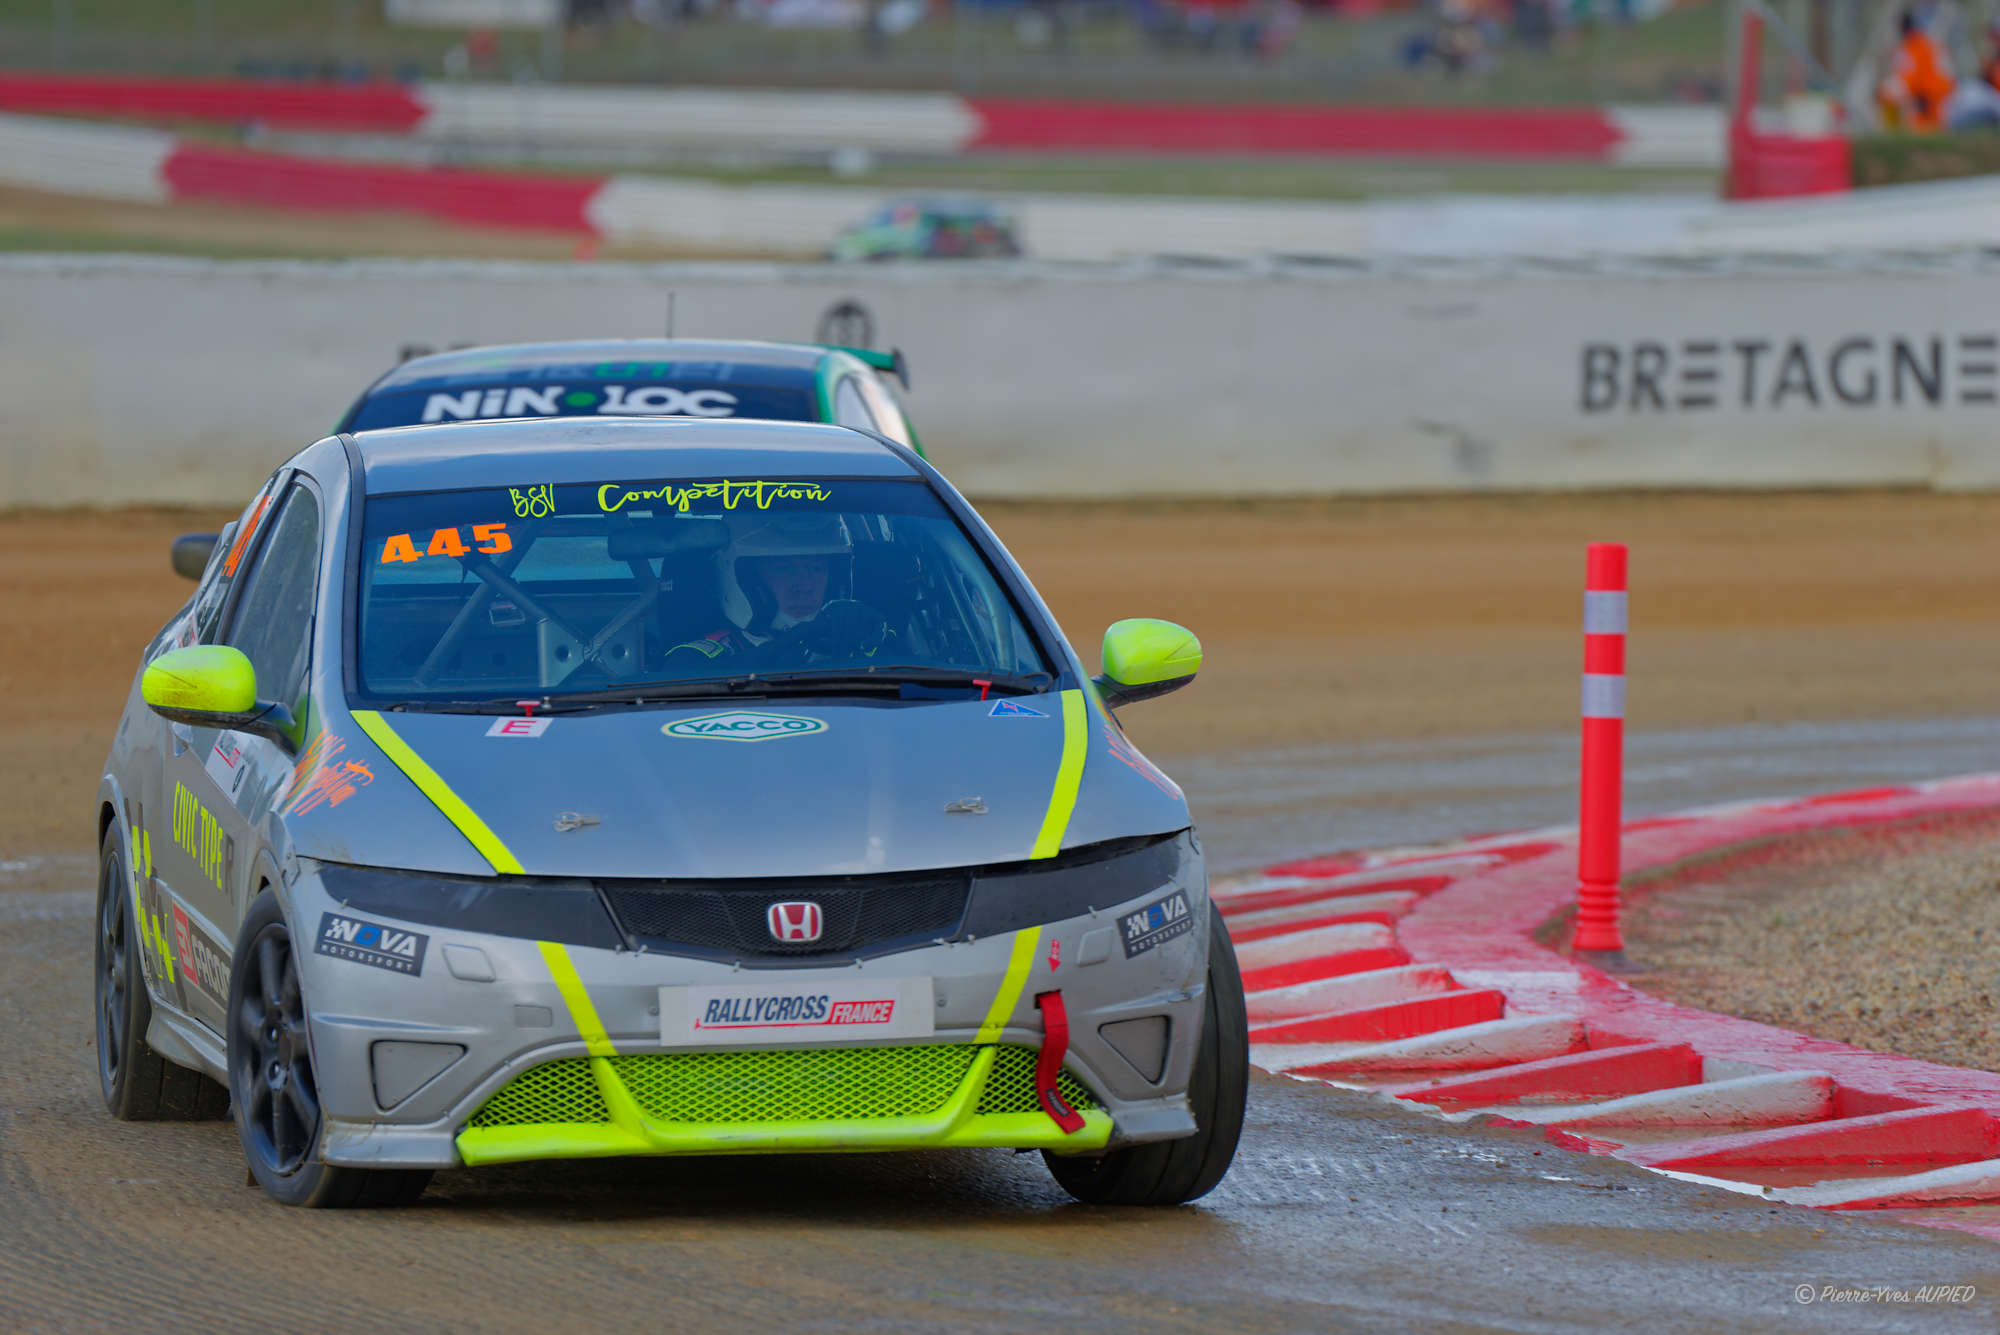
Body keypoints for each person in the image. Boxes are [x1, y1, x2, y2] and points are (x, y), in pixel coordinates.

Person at [665, 514, 890, 668]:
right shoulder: (699, 657)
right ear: (746, 580)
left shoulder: (864, 640)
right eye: (784, 570)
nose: (804, 586)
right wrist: (786, 646)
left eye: (815, 568)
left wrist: (870, 638)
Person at [1878, 8, 1955, 132]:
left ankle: (1893, 131)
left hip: (1930, 96)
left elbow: (1910, 77)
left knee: (1889, 92)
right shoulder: (1927, 43)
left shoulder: (1915, 46)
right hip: (1938, 94)